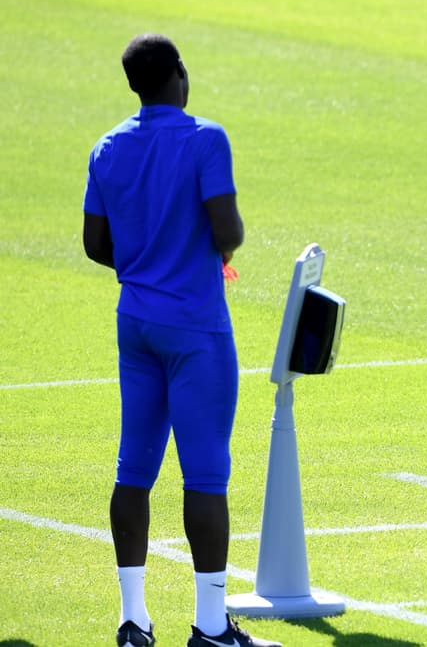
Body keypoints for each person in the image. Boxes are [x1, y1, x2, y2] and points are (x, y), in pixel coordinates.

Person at [83, 34, 279, 647]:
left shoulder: (107, 147)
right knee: (205, 475)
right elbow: (228, 228)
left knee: (133, 467)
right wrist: (214, 243)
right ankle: (213, 625)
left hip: (135, 321)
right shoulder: (205, 138)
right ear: (177, 76)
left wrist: (142, 262)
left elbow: (95, 245)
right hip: (195, 327)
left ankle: (134, 620)